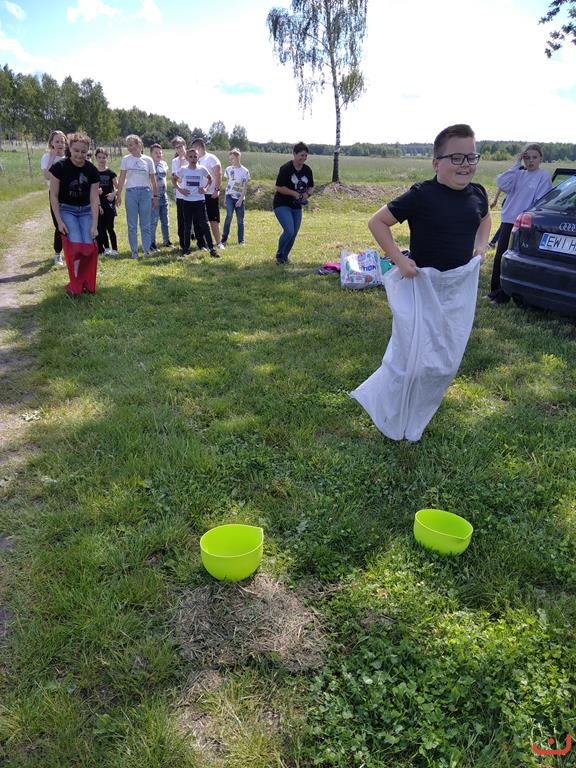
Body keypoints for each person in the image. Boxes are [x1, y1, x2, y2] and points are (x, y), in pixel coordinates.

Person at [350, 123, 491, 442]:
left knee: (444, 361)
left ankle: (418, 408)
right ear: (436, 162)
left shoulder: (478, 194)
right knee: (411, 359)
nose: (465, 164)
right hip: (420, 286)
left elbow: (484, 218)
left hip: (456, 288)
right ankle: (393, 409)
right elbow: (377, 222)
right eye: (456, 157)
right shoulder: (422, 195)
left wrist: (481, 247)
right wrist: (400, 260)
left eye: (471, 157)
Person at [487, 144, 552, 305]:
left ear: (541, 158)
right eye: (526, 157)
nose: (530, 161)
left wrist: (526, 217)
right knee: (500, 257)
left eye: (534, 157)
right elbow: (501, 182)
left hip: (524, 223)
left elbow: (539, 201)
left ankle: (506, 295)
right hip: (508, 220)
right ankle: (494, 292)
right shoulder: (518, 174)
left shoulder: (543, 176)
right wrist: (516, 164)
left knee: (515, 259)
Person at [48, 132, 101, 295]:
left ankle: (87, 282)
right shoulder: (59, 168)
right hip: (67, 209)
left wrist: (94, 225)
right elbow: (53, 195)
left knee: (89, 247)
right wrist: (59, 221)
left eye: (83, 152)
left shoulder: (92, 170)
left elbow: (94, 199)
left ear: (88, 151)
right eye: (76, 150)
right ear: (69, 148)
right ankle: (76, 285)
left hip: (86, 211)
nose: (79, 155)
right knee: (76, 245)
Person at [116, 134, 158, 259]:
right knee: (132, 225)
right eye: (127, 145)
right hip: (131, 193)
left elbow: (153, 180)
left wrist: (155, 196)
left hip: (145, 193)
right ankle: (134, 251)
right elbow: (122, 178)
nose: (129, 148)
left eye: (131, 145)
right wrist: (118, 194)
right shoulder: (126, 159)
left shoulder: (148, 160)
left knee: (145, 224)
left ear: (139, 144)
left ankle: (146, 250)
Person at [272, 141, 314, 265]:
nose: (304, 158)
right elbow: (278, 187)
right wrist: (294, 194)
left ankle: (285, 257)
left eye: (305, 155)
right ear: (294, 154)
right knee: (289, 230)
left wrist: (307, 194)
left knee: (294, 233)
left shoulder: (307, 170)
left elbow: (311, 187)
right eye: (301, 155)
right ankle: (279, 255)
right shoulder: (286, 168)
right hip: (282, 204)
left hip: (297, 206)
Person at [173, 147, 218, 258]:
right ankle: (186, 249)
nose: (193, 159)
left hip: (199, 201)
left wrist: (206, 189)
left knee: (204, 225)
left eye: (195, 157)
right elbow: (174, 179)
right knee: (187, 226)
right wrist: (180, 189)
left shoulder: (202, 169)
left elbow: (210, 179)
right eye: (191, 157)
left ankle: (212, 249)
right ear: (187, 158)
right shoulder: (183, 169)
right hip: (187, 202)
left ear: (198, 158)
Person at [191, 137, 224, 250]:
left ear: (199, 147)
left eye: (194, 148)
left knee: (213, 219)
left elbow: (218, 174)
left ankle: (218, 242)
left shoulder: (211, 158)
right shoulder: (195, 161)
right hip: (199, 195)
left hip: (211, 194)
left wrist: (217, 189)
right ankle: (203, 243)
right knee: (200, 220)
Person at [41, 130, 67, 265]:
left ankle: (71, 251)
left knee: (70, 222)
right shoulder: (46, 157)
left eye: (62, 141)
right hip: (55, 194)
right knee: (59, 224)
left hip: (69, 193)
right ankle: (57, 254)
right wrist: (52, 157)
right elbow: (47, 176)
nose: (60, 144)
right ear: (51, 143)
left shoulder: (69, 157)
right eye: (57, 141)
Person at [221, 148, 250, 246]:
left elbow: (245, 187)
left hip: (239, 198)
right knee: (229, 216)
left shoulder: (245, 171)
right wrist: (225, 197)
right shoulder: (228, 169)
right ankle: (224, 238)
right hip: (229, 196)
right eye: (230, 159)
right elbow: (228, 184)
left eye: (232, 158)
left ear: (238, 158)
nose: (231, 161)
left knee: (240, 220)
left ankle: (241, 240)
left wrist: (240, 200)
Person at [94, 147, 118, 256]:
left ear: (107, 158)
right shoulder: (94, 173)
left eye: (104, 157)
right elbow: (90, 188)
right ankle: (106, 248)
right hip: (98, 204)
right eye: (99, 157)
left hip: (109, 204)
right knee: (101, 228)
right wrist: (96, 191)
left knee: (110, 227)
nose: (102, 160)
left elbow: (118, 187)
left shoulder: (110, 173)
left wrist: (113, 194)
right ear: (96, 158)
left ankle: (115, 249)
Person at [150, 143, 172, 250]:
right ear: (151, 154)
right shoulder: (149, 164)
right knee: (153, 221)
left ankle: (166, 241)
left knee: (165, 220)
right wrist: (153, 196)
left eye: (160, 152)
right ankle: (151, 243)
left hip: (164, 196)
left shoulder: (164, 164)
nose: (158, 154)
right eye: (156, 152)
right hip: (154, 197)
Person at [171, 136, 191, 250]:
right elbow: (176, 177)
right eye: (176, 147)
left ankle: (199, 242)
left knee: (194, 219)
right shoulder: (175, 161)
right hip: (180, 194)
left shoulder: (192, 158)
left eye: (180, 146)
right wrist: (181, 163)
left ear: (185, 146)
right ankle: (183, 244)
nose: (178, 149)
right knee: (181, 219)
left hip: (192, 194)